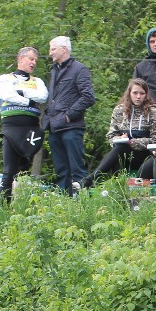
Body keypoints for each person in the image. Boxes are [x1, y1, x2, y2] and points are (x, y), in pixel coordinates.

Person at [82, 77, 156, 189]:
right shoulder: (119, 110)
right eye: (135, 93)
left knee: (120, 149)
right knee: (118, 151)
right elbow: (111, 136)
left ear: (146, 95)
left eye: (142, 93)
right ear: (129, 93)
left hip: (143, 154)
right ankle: (118, 189)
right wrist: (119, 138)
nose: (138, 96)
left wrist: (133, 142)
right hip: (122, 152)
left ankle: (90, 179)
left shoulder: (153, 112)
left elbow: (155, 139)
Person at [43, 36, 95, 195]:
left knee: (77, 170)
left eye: (53, 49)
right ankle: (64, 203)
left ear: (64, 49)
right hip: (54, 127)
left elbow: (88, 97)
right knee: (61, 171)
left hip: (71, 127)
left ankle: (83, 202)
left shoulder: (79, 69)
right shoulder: (54, 70)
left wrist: (68, 116)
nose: (50, 53)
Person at [0, 46, 48, 203]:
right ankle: (2, 205)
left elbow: (43, 96)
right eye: (31, 59)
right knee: (9, 170)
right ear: (20, 59)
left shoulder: (37, 81)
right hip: (11, 127)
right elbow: (7, 95)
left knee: (23, 169)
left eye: (36, 60)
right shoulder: (5, 78)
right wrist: (29, 101)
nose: (34, 63)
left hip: (31, 128)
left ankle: (19, 204)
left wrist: (21, 92)